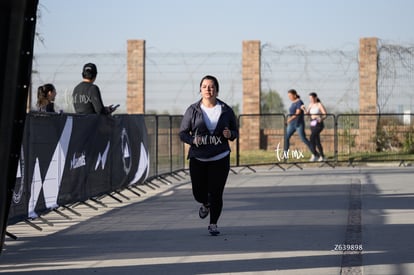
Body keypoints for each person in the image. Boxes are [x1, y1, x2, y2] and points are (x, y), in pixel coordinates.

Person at [179, 75, 238, 236]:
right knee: (198, 192)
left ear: (217, 90)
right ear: (200, 89)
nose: (208, 90)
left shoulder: (226, 110)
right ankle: (205, 203)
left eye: (211, 87)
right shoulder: (193, 110)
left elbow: (235, 132)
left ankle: (213, 224)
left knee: (217, 192)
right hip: (198, 157)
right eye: (204, 86)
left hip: (220, 157)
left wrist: (229, 133)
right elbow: (182, 133)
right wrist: (192, 140)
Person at [284, 89, 316, 160]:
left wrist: (289, 119)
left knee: (303, 139)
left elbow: (297, 112)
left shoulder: (299, 102)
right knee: (286, 138)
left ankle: (315, 153)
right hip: (292, 125)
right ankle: (285, 156)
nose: (289, 97)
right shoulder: (293, 103)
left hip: (298, 124)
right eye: (288, 96)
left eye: (290, 95)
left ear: (295, 95)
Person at [304, 92, 327, 161]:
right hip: (312, 123)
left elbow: (325, 114)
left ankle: (314, 154)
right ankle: (322, 156)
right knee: (317, 141)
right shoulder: (310, 105)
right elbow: (307, 114)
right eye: (310, 98)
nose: (311, 100)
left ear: (315, 97)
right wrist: (304, 109)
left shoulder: (319, 104)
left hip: (318, 123)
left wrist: (321, 118)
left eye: (312, 98)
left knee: (312, 137)